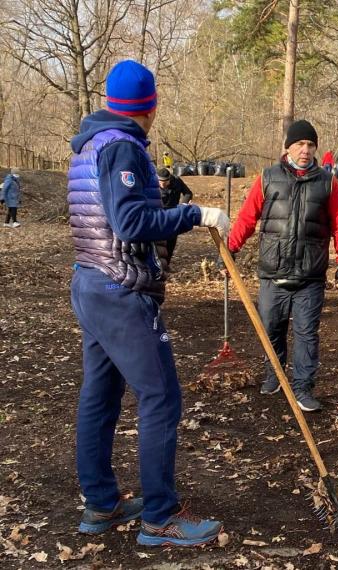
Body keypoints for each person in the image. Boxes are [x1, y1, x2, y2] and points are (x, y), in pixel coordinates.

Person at [68, 59, 229, 547]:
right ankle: (160, 517)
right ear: (150, 106)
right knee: (161, 396)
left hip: (90, 280)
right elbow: (131, 224)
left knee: (101, 396)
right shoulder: (122, 147)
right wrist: (196, 213)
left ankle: (101, 503)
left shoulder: (90, 143)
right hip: (119, 290)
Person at [227, 119, 338, 412]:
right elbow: (248, 217)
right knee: (271, 328)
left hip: (310, 274)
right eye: (300, 144)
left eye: (311, 145)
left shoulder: (327, 183)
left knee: (307, 333)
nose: (306, 150)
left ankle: (303, 387)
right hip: (273, 272)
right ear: (288, 148)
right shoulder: (268, 177)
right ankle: (274, 373)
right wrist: (231, 247)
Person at [157, 168, 194, 262]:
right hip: (158, 214)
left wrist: (183, 205)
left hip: (174, 213)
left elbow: (187, 193)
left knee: (171, 240)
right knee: (158, 241)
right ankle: (158, 263)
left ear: (169, 179)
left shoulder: (177, 181)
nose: (162, 184)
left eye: (165, 182)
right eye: (160, 182)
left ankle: (167, 262)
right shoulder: (151, 183)